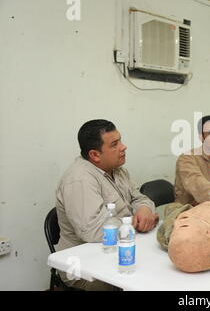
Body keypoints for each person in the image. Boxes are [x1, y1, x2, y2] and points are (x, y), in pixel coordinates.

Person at [55, 119, 159, 290]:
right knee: (144, 280)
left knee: (158, 266)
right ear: (95, 155)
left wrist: (144, 209)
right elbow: (93, 230)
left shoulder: (118, 170)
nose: (124, 147)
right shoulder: (79, 179)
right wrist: (135, 221)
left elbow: (138, 198)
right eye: (115, 144)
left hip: (116, 250)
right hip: (84, 265)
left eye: (121, 140)